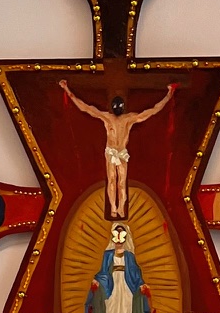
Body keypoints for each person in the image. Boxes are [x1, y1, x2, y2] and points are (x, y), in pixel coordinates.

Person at [60, 78, 175, 218]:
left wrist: (168, 95)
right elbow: (85, 107)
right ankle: (113, 208)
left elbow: (152, 111)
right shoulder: (107, 117)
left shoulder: (129, 119)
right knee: (112, 180)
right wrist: (67, 89)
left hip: (121, 153)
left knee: (121, 182)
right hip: (110, 152)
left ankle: (120, 207)